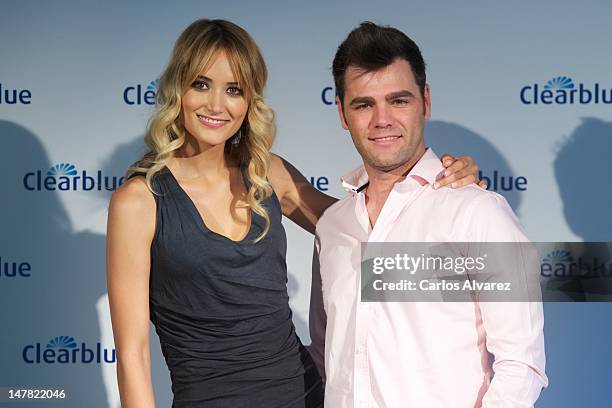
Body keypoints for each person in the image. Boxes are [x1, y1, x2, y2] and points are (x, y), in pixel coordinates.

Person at [106, 19, 482, 407]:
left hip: (305, 397)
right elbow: (133, 355)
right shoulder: (139, 202)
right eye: (201, 84)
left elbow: (367, 231)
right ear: (177, 89)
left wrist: (444, 194)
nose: (217, 105)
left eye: (234, 89)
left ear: (249, 100)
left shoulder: (266, 172)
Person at [309, 22, 548, 407]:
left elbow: (522, 364)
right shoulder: (333, 226)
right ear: (341, 113)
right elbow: (327, 360)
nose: (382, 119)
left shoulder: (477, 212)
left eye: (398, 100)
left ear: (426, 102)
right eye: (364, 104)